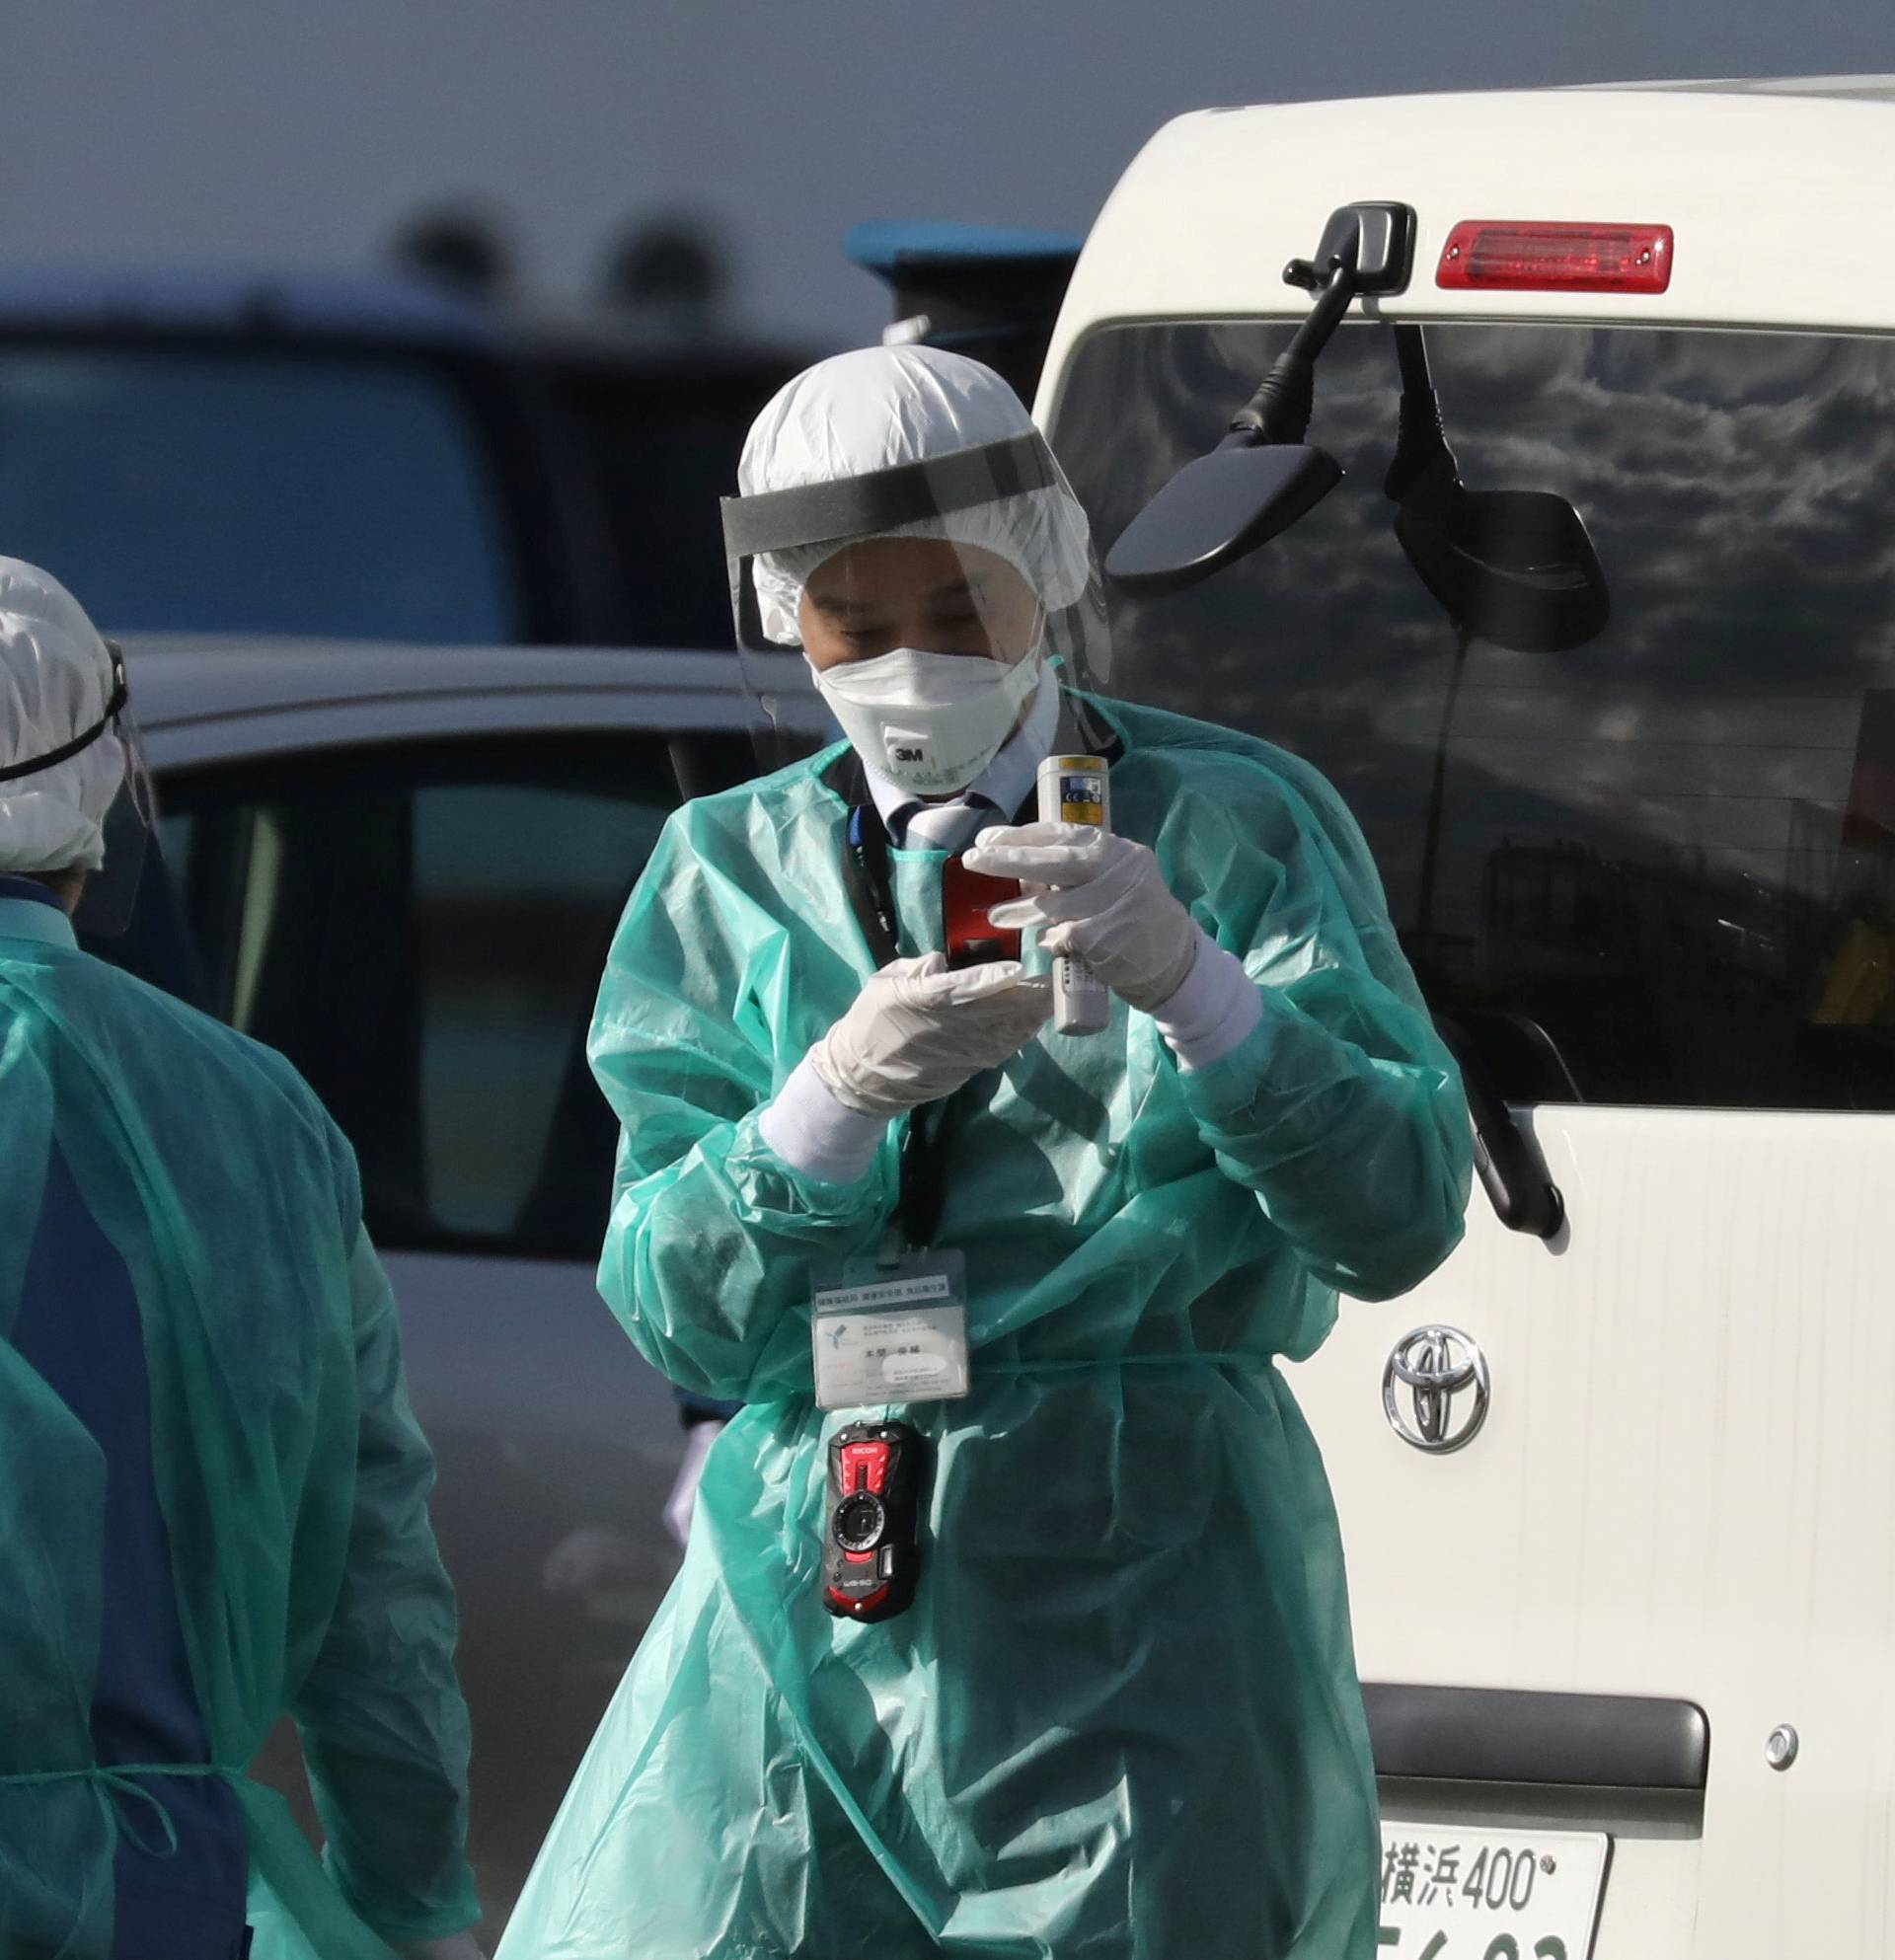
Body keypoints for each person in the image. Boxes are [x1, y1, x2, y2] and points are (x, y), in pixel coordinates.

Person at [499, 345, 1472, 1959]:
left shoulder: (1231, 830)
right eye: (853, 624)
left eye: (957, 611)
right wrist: (828, 1100)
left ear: (1048, 565)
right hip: (817, 1577)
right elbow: (677, 1304)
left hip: (1135, 1593)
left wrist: (1201, 988)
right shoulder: (730, 870)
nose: (908, 666)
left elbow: (1394, 1211)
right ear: (779, 618)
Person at [0, 559, 483, 1960]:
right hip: (167, 1903)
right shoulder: (259, 1120)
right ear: (105, 795)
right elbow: (377, 1588)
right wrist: (415, 1904)